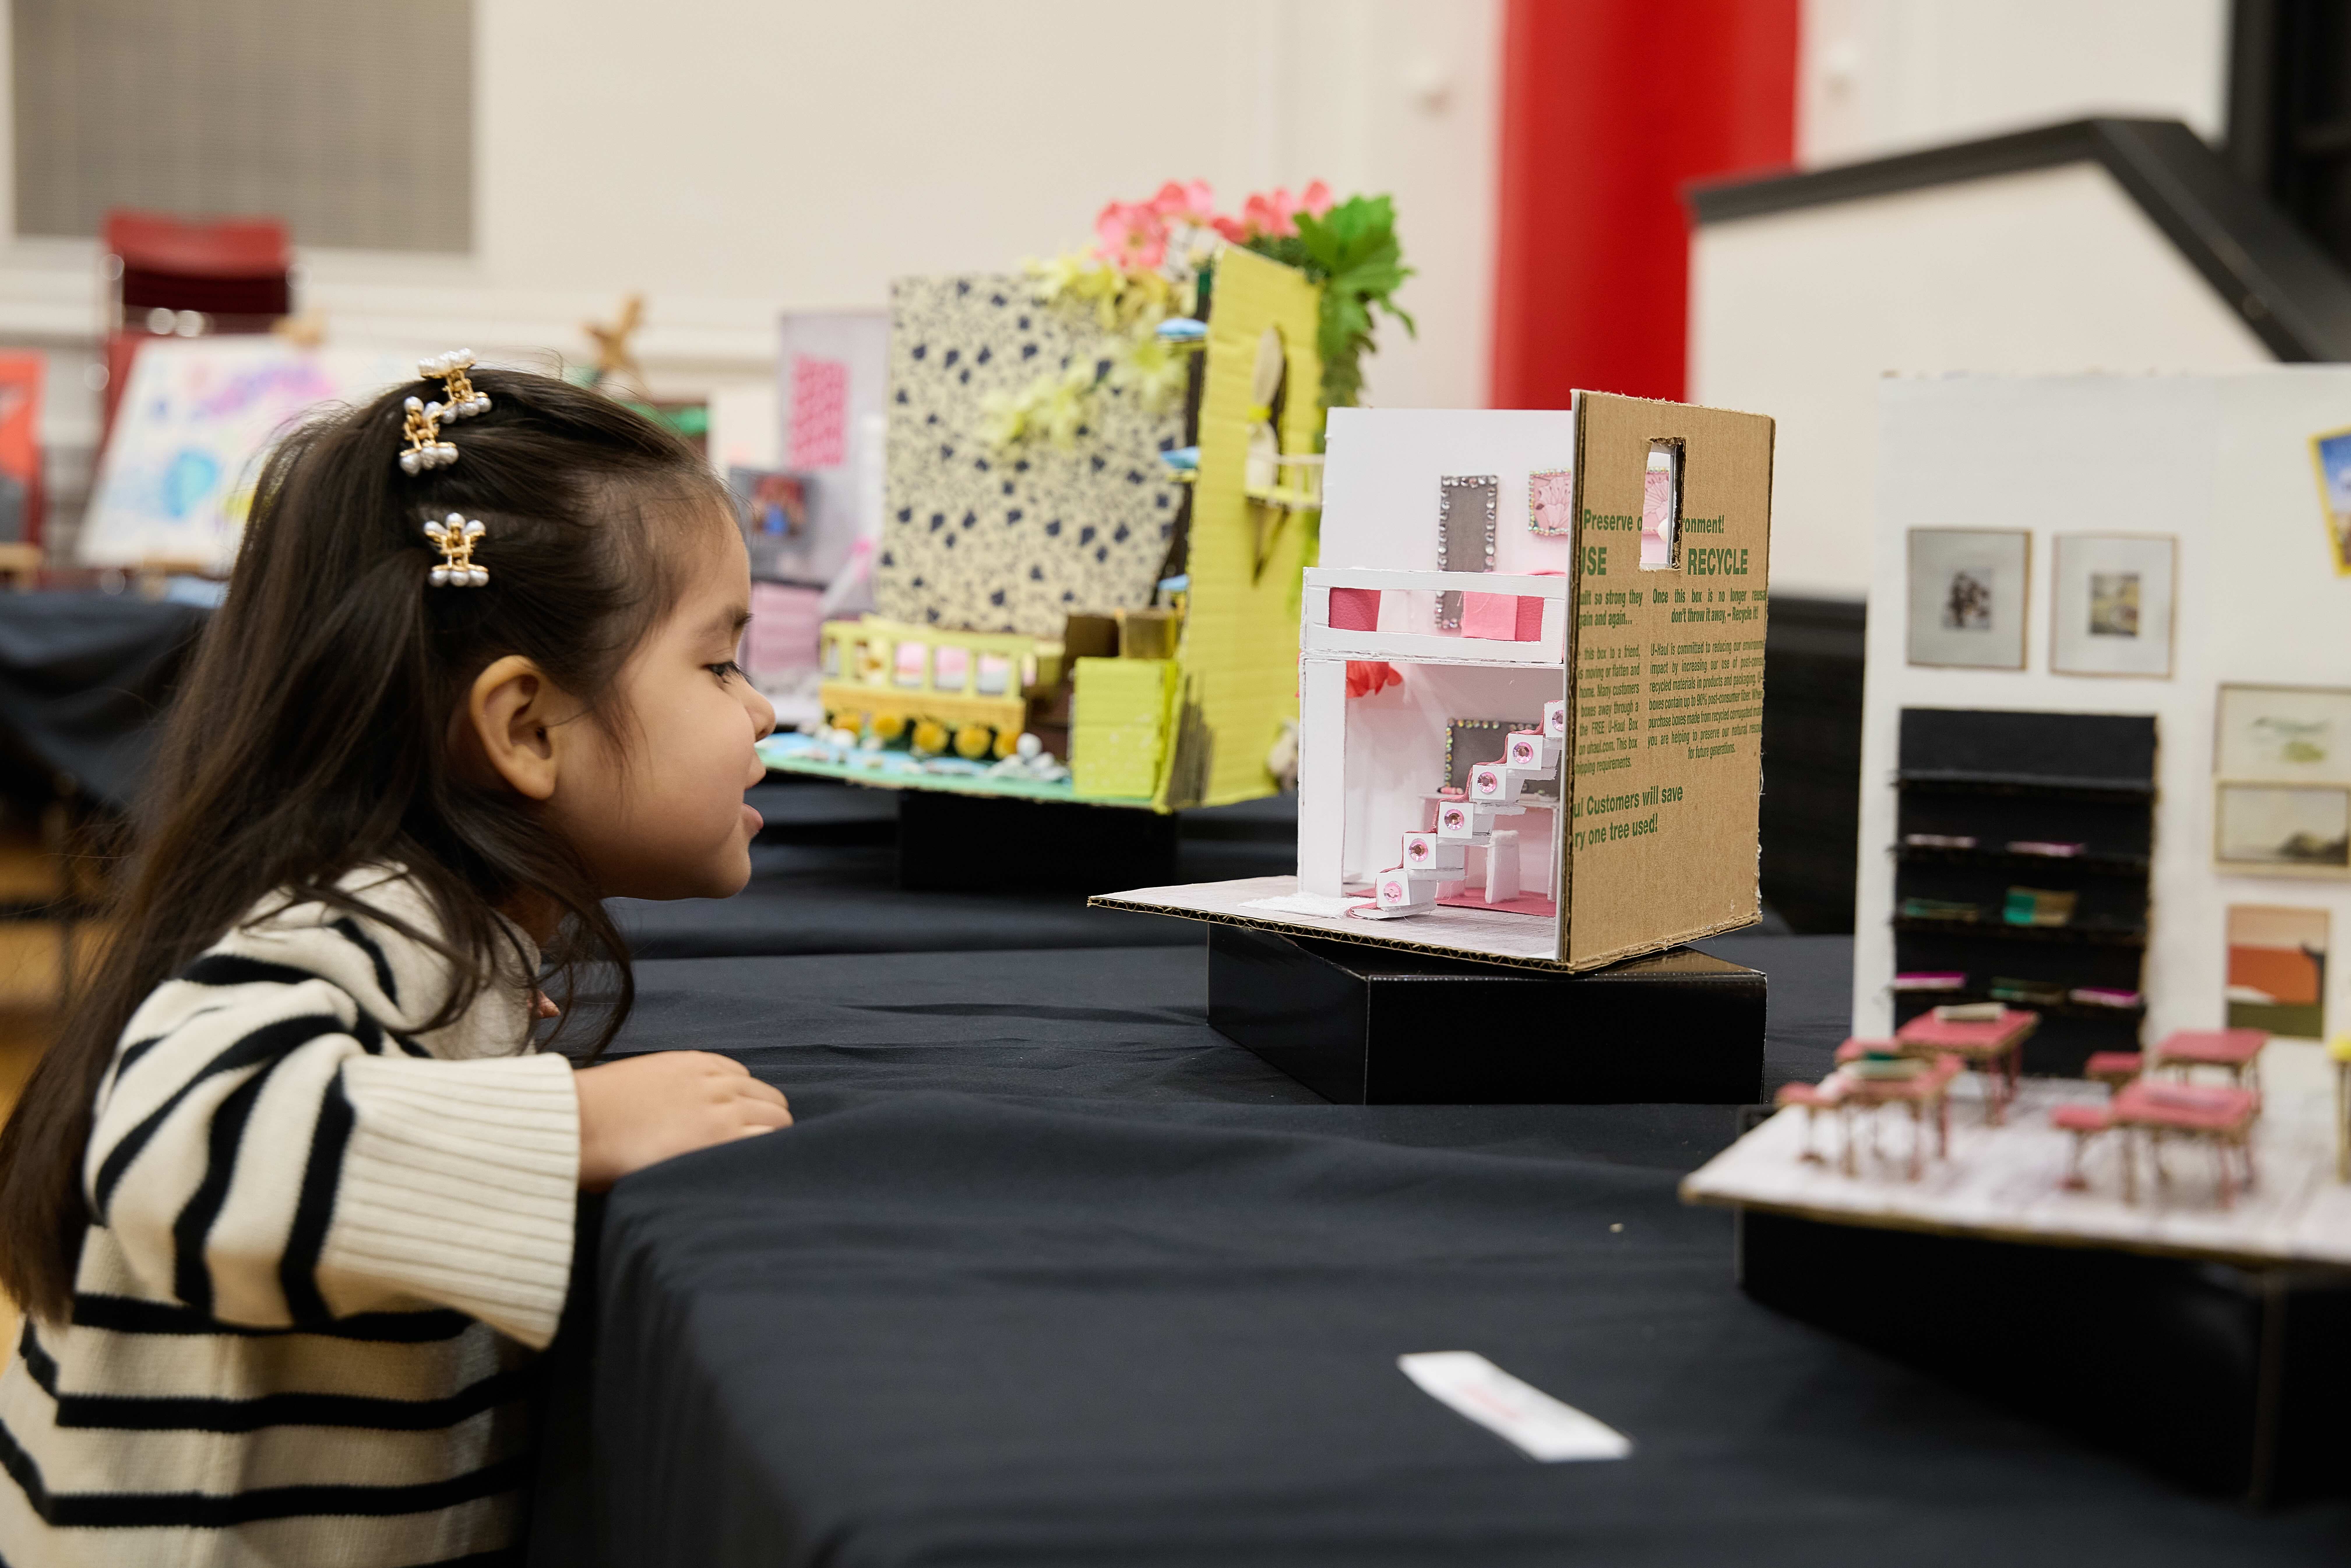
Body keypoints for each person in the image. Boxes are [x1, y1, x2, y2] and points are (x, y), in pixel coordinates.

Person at [0, 361, 794, 1565]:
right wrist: (567, 1124)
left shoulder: (438, 926)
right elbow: (179, 1135)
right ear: (524, 726)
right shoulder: (361, 919)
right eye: (719, 663)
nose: (762, 711)